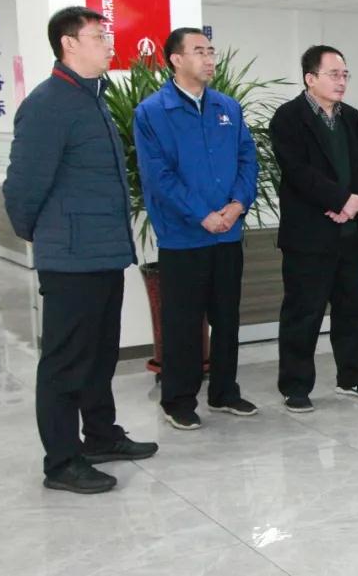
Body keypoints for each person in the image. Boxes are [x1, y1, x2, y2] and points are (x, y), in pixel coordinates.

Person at [4, 6, 157, 494]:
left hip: (104, 253)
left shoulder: (90, 98)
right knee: (65, 363)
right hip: (71, 258)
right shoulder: (48, 104)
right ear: (69, 44)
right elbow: (22, 187)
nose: (108, 44)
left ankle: (101, 436)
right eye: (98, 37)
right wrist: (47, 235)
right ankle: (62, 461)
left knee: (99, 355)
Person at [134, 27, 259, 430]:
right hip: (183, 236)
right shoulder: (153, 112)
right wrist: (202, 215)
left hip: (228, 232)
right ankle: (178, 399)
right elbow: (158, 175)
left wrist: (237, 205)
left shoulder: (228, 107)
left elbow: (248, 160)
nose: (209, 59)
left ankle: (224, 392)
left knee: (227, 318)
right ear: (175, 59)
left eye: (211, 51)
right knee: (183, 323)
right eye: (199, 52)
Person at [269, 45, 358, 413]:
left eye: (345, 74)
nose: (341, 81)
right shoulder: (288, 118)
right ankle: (295, 385)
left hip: (351, 233)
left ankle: (351, 376)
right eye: (334, 74)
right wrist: (339, 201)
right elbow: (298, 171)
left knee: (351, 312)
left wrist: (354, 203)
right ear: (310, 78)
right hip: (309, 236)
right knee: (303, 313)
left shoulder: (352, 118)